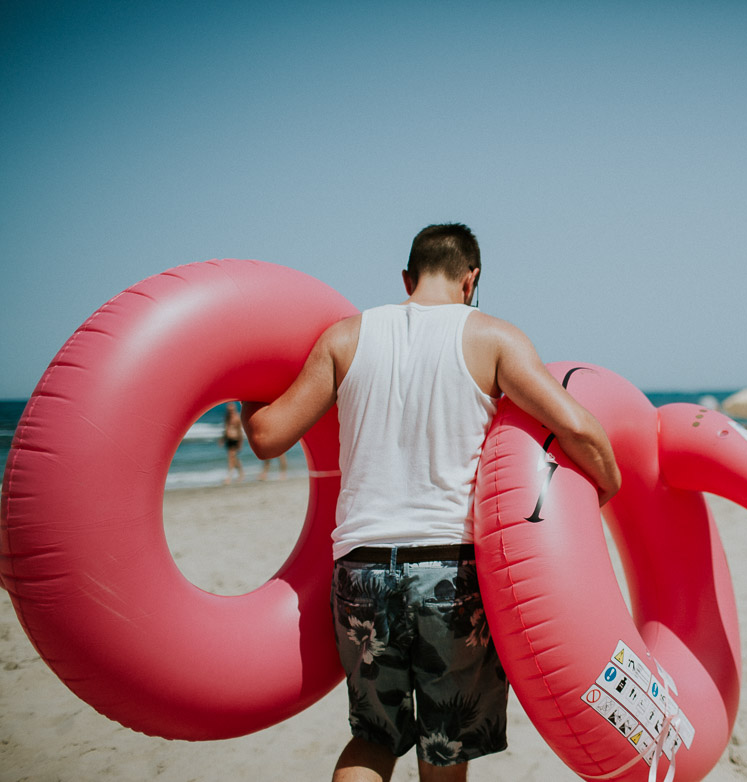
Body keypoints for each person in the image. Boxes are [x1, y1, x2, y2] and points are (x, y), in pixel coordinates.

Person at [241, 224, 621, 782]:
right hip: (450, 574)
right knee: (444, 748)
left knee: (372, 739)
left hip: (361, 570)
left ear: (407, 277)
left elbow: (267, 436)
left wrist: (248, 373)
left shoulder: (344, 338)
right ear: (472, 279)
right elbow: (578, 429)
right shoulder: (492, 337)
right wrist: (605, 490)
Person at [222, 401, 245, 484]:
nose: (230, 411)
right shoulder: (227, 417)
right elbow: (226, 429)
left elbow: (240, 431)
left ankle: (229, 477)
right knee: (234, 459)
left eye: (232, 410)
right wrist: (223, 439)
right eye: (229, 410)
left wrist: (240, 443)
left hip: (235, 440)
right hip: (229, 440)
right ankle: (241, 474)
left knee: (231, 458)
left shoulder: (237, 418)